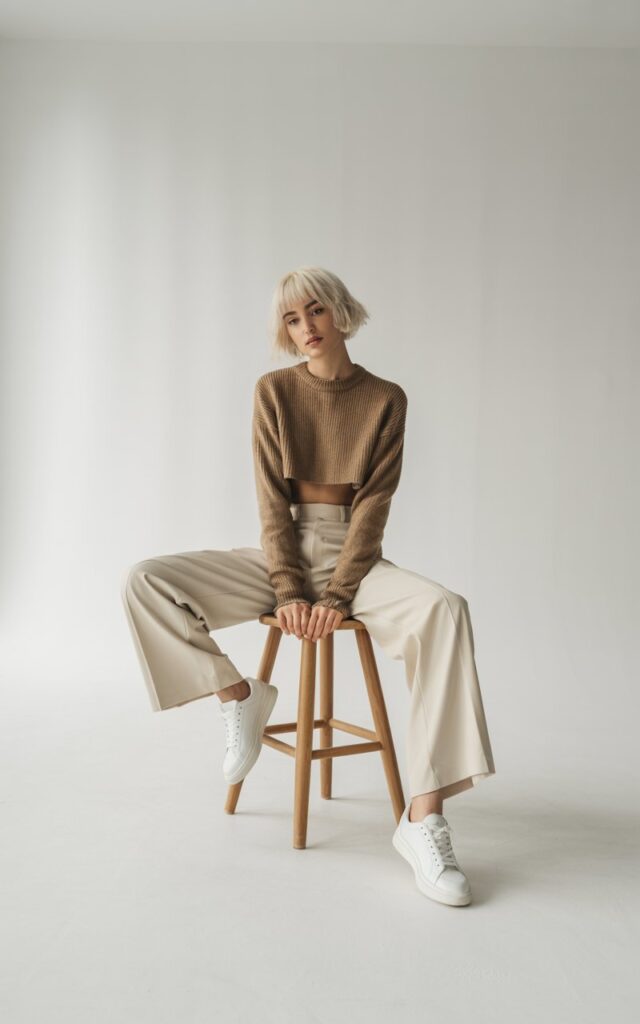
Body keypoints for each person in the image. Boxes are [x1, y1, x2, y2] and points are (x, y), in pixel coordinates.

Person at [121, 265, 496, 907]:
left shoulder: (387, 399)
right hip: (283, 552)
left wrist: (336, 595)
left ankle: (423, 817)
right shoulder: (273, 391)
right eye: (292, 320)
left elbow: (374, 507)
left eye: (316, 312)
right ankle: (240, 696)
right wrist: (291, 590)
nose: (306, 328)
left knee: (447, 610)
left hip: (356, 556)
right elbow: (270, 502)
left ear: (341, 312)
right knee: (147, 580)